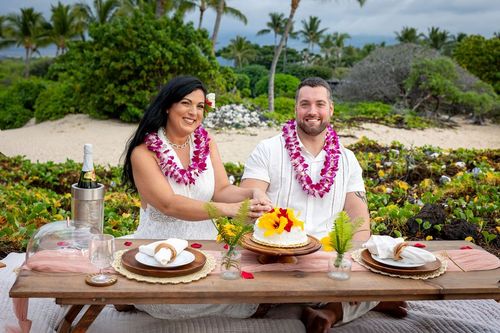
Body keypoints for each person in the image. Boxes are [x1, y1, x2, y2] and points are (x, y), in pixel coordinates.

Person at [240, 77, 407, 332]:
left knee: (386, 269)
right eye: (305, 104)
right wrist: (256, 201)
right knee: (249, 286)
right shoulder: (268, 149)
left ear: (331, 109)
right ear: (296, 108)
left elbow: (359, 221)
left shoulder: (347, 158)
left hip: (329, 258)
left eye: (320, 104)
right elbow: (247, 200)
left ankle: (327, 311)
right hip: (277, 256)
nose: (312, 112)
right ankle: (346, 306)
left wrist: (346, 260)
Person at [122, 75, 271, 319]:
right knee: (179, 306)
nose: (194, 112)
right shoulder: (143, 152)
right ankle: (132, 299)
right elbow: (169, 204)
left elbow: (221, 189)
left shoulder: (206, 142)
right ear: (168, 106)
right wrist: (229, 210)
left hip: (208, 246)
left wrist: (252, 192)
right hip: (161, 249)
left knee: (249, 294)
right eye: (186, 103)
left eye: (200, 106)